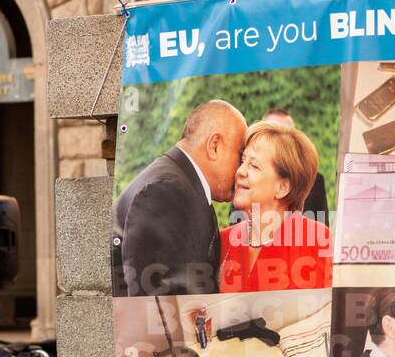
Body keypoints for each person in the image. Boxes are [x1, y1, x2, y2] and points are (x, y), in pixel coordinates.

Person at [112, 99, 248, 297]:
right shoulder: (168, 192)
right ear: (214, 146)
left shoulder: (182, 186)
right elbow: (162, 307)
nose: (242, 170)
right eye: (241, 155)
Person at [219, 122, 333, 293]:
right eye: (243, 161)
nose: (240, 171)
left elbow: (327, 313)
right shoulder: (223, 241)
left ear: (282, 187)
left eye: (254, 166)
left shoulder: (317, 241)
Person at [261, 108, 328, 218]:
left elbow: (321, 229)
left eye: (288, 134)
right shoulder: (247, 177)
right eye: (274, 133)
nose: (283, 140)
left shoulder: (315, 181)